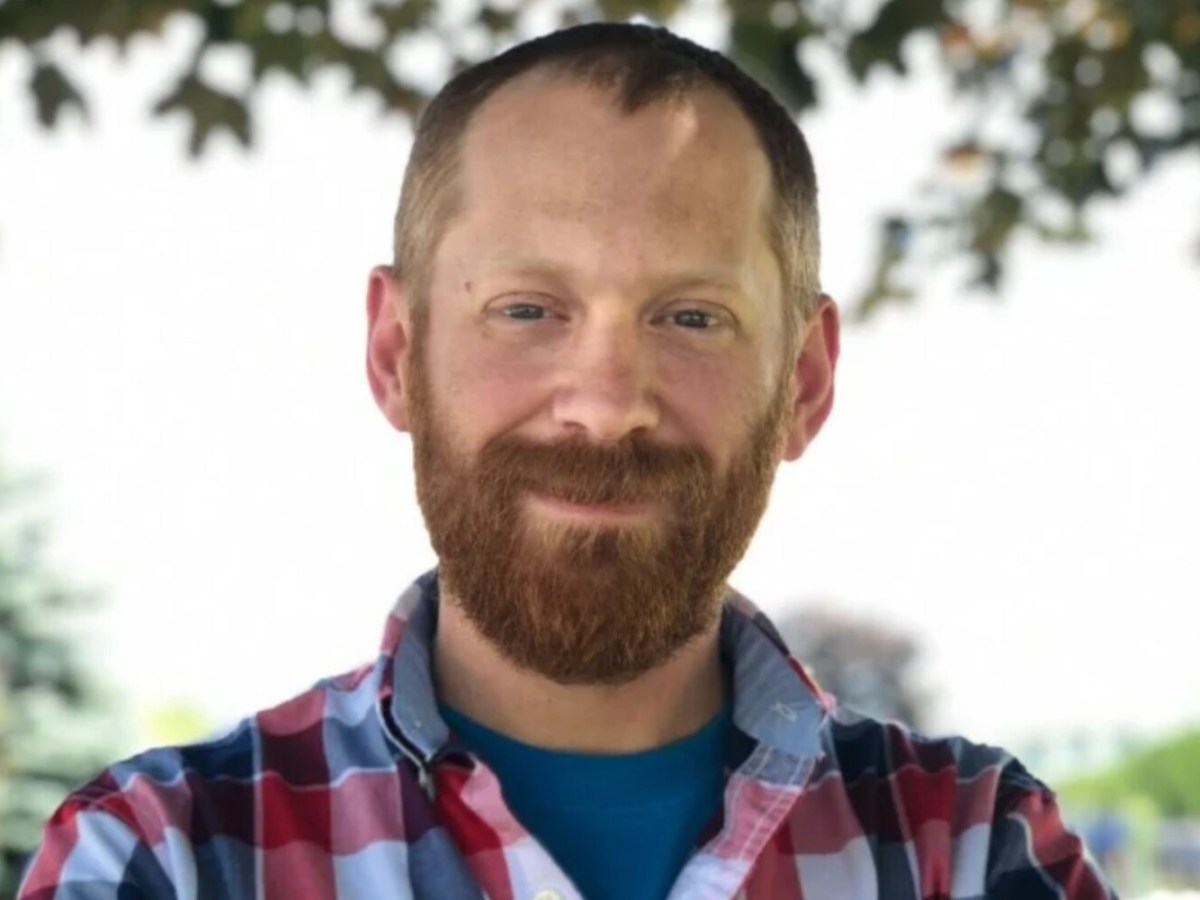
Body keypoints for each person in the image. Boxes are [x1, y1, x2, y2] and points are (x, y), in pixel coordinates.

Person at [19, 22, 1117, 900]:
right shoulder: (161, 860)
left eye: (691, 318)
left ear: (805, 381)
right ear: (396, 354)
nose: (605, 406)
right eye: (527, 309)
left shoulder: (974, 853)